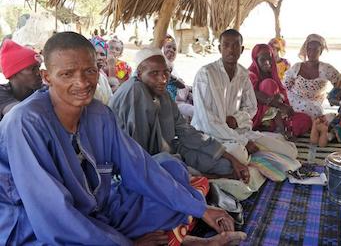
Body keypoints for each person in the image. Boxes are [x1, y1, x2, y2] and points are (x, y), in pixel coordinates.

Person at [0, 32, 245, 245]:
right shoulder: (25, 123)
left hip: (97, 208)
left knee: (172, 171)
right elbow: (53, 216)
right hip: (33, 225)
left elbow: (140, 168)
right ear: (46, 77)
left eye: (89, 71)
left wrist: (202, 209)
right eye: (67, 74)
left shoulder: (98, 114)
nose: (82, 82)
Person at [109, 47, 250, 182]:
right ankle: (202, 178)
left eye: (166, 72)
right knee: (173, 166)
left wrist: (231, 158)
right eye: (154, 73)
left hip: (168, 153)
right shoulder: (135, 91)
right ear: (139, 74)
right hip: (136, 164)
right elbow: (136, 154)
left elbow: (186, 131)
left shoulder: (163, 95)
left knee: (225, 165)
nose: (163, 79)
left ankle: (196, 176)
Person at [192, 29, 300, 167]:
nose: (231, 50)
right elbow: (207, 121)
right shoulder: (206, 74)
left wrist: (237, 119)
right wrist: (243, 142)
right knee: (240, 154)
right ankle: (247, 158)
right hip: (209, 135)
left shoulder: (243, 74)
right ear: (220, 48)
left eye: (235, 45)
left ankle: (254, 155)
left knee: (290, 151)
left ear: (242, 49)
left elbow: (251, 107)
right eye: (226, 45)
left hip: (238, 132)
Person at [248, 43, 312, 138]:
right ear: (255, 60)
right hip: (257, 116)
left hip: (278, 115)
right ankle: (278, 129)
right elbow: (253, 95)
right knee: (268, 84)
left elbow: (283, 94)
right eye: (262, 59)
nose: (267, 62)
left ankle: (274, 129)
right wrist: (280, 104)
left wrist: (280, 98)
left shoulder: (273, 73)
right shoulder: (250, 75)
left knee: (305, 120)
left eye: (269, 58)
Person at [283, 34, 339, 119]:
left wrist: (334, 97)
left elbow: (340, 83)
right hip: (293, 100)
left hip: (313, 105)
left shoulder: (326, 69)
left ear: (321, 51)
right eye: (309, 49)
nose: (311, 53)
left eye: (315, 50)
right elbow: (285, 86)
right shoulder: (297, 67)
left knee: (313, 111)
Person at [0, 39, 42, 120]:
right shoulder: (1, 93)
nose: (39, 73)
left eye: (38, 67)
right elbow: (20, 114)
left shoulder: (39, 90)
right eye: (33, 69)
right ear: (14, 74)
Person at [163, 35, 195, 119]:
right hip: (172, 104)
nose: (171, 50)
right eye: (168, 47)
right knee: (196, 112)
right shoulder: (161, 67)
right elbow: (179, 85)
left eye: (174, 49)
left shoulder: (173, 67)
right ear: (162, 49)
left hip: (181, 100)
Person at [90, 36, 113, 105]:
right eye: (95, 53)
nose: (99, 57)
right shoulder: (83, 78)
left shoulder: (102, 78)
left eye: (102, 54)